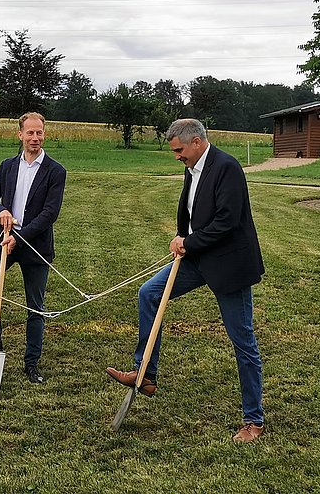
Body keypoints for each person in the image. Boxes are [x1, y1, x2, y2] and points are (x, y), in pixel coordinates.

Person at [106, 118, 265, 443]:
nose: (177, 156)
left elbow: (226, 221)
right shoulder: (191, 166)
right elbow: (192, 213)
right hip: (196, 260)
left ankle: (254, 420)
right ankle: (146, 373)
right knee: (149, 293)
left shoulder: (227, 167)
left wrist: (188, 242)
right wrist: (182, 236)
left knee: (242, 341)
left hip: (229, 265)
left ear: (196, 142)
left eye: (180, 150)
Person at [0, 112, 66, 384]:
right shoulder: (8, 166)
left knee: (35, 306)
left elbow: (50, 214)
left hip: (34, 245)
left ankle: (32, 363)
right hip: (5, 239)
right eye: (30, 133)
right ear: (20, 135)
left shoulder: (55, 171)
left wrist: (20, 237)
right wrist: (0, 211)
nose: (35, 138)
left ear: (44, 134)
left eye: (39, 133)